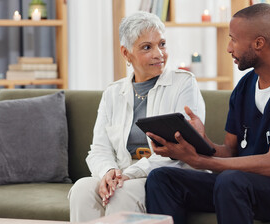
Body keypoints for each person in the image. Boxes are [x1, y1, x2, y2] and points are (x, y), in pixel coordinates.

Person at [144, 3, 270, 224]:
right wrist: (201, 143)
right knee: (162, 178)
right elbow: (230, 151)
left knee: (231, 181)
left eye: (233, 39)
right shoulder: (244, 86)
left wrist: (202, 162)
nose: (229, 48)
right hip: (239, 185)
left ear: (258, 43)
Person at [68, 11, 205, 222]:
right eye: (147, 47)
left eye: (162, 44)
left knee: (121, 193)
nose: (159, 53)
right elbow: (99, 149)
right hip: (121, 173)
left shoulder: (184, 84)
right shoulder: (112, 93)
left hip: (160, 174)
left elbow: (180, 150)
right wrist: (109, 171)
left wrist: (127, 174)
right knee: (81, 190)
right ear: (126, 53)